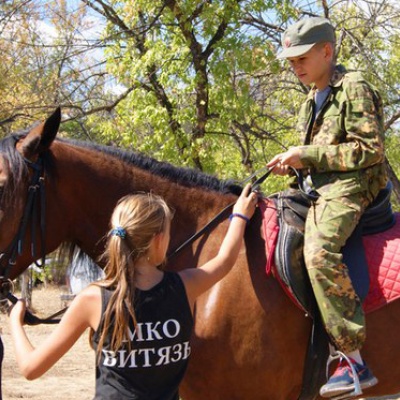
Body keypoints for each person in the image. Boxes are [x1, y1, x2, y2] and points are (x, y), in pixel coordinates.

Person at [8, 185, 256, 400]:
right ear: (158, 240)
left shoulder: (93, 299)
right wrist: (240, 218)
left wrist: (14, 322)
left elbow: (31, 368)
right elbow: (225, 260)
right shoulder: (184, 286)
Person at [267, 17, 387, 399]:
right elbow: (315, 160)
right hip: (320, 189)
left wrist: (307, 154)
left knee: (318, 251)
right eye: (290, 60)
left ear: (327, 51)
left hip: (353, 187)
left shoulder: (354, 86)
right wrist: (295, 164)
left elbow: (370, 150)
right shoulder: (309, 101)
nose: (295, 66)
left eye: (302, 57)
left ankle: (353, 361)